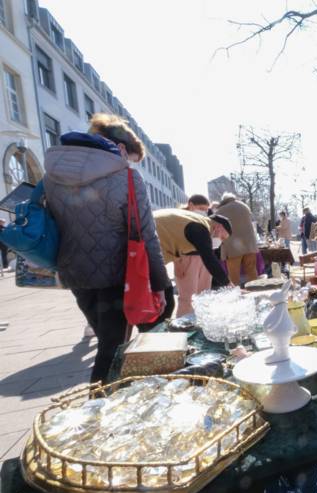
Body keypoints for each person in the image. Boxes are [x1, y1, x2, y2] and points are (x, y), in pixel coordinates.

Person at [43, 113, 171, 383]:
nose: (129, 164)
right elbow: (146, 234)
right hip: (117, 275)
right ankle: (98, 408)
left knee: (108, 341)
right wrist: (161, 284)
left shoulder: (52, 177)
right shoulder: (125, 177)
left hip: (74, 273)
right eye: (132, 159)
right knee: (111, 352)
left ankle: (109, 399)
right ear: (121, 149)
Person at [153, 209, 232, 318]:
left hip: (150, 240)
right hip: (146, 242)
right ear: (218, 227)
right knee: (165, 302)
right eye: (222, 238)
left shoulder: (200, 223)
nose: (221, 242)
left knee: (166, 299)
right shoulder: (201, 229)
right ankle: (180, 330)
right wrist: (228, 284)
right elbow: (209, 259)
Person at [215, 192, 260, 285]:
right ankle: (256, 293)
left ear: (223, 200)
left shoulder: (220, 210)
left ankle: (236, 296)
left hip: (232, 247)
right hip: (249, 244)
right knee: (252, 271)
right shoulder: (244, 206)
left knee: (233, 275)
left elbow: (217, 230)